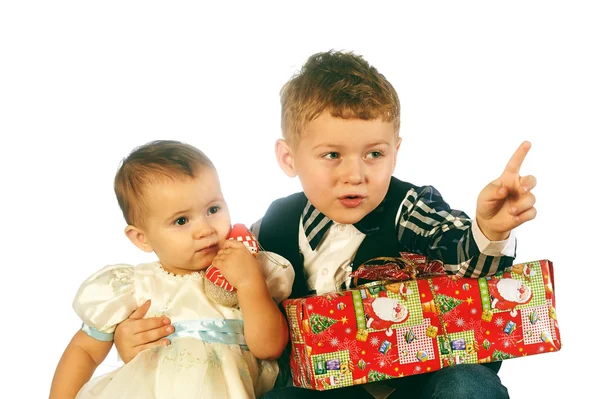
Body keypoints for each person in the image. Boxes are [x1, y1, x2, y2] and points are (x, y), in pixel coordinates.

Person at [113, 51, 537, 398]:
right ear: (289, 158)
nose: (355, 175)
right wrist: (140, 331)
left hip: (422, 383)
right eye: (332, 155)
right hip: (324, 388)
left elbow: (461, 256)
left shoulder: (410, 206)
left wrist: (489, 231)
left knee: (466, 386)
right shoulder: (275, 224)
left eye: (374, 154)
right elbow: (207, 275)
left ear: (395, 151)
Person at [49, 140, 294, 399]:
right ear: (141, 238)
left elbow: (269, 349)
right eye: (181, 220)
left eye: (213, 209)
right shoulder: (135, 287)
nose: (205, 229)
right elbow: (84, 350)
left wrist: (249, 284)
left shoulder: (248, 272)